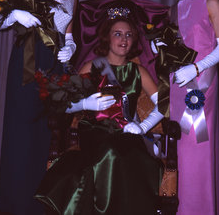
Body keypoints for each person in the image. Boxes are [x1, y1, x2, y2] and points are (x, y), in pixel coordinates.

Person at [34, 13, 165, 215]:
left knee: (133, 154)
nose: (124, 39)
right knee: (111, 152)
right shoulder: (92, 67)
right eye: (118, 34)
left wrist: (143, 126)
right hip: (95, 130)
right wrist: (84, 103)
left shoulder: (139, 71)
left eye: (129, 35)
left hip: (127, 132)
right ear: (107, 38)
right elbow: (64, 104)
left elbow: (164, 105)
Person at [0, 0, 80, 215]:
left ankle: (34, 204)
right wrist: (15, 15)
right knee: (21, 132)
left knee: (43, 133)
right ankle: (15, 204)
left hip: (54, 64)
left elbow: (67, 34)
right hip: (28, 60)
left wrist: (71, 47)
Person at [165, 0, 219, 215]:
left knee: (196, 147)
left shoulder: (211, 2)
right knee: (180, 150)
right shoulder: (173, 9)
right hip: (178, 84)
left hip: (201, 84)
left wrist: (195, 69)